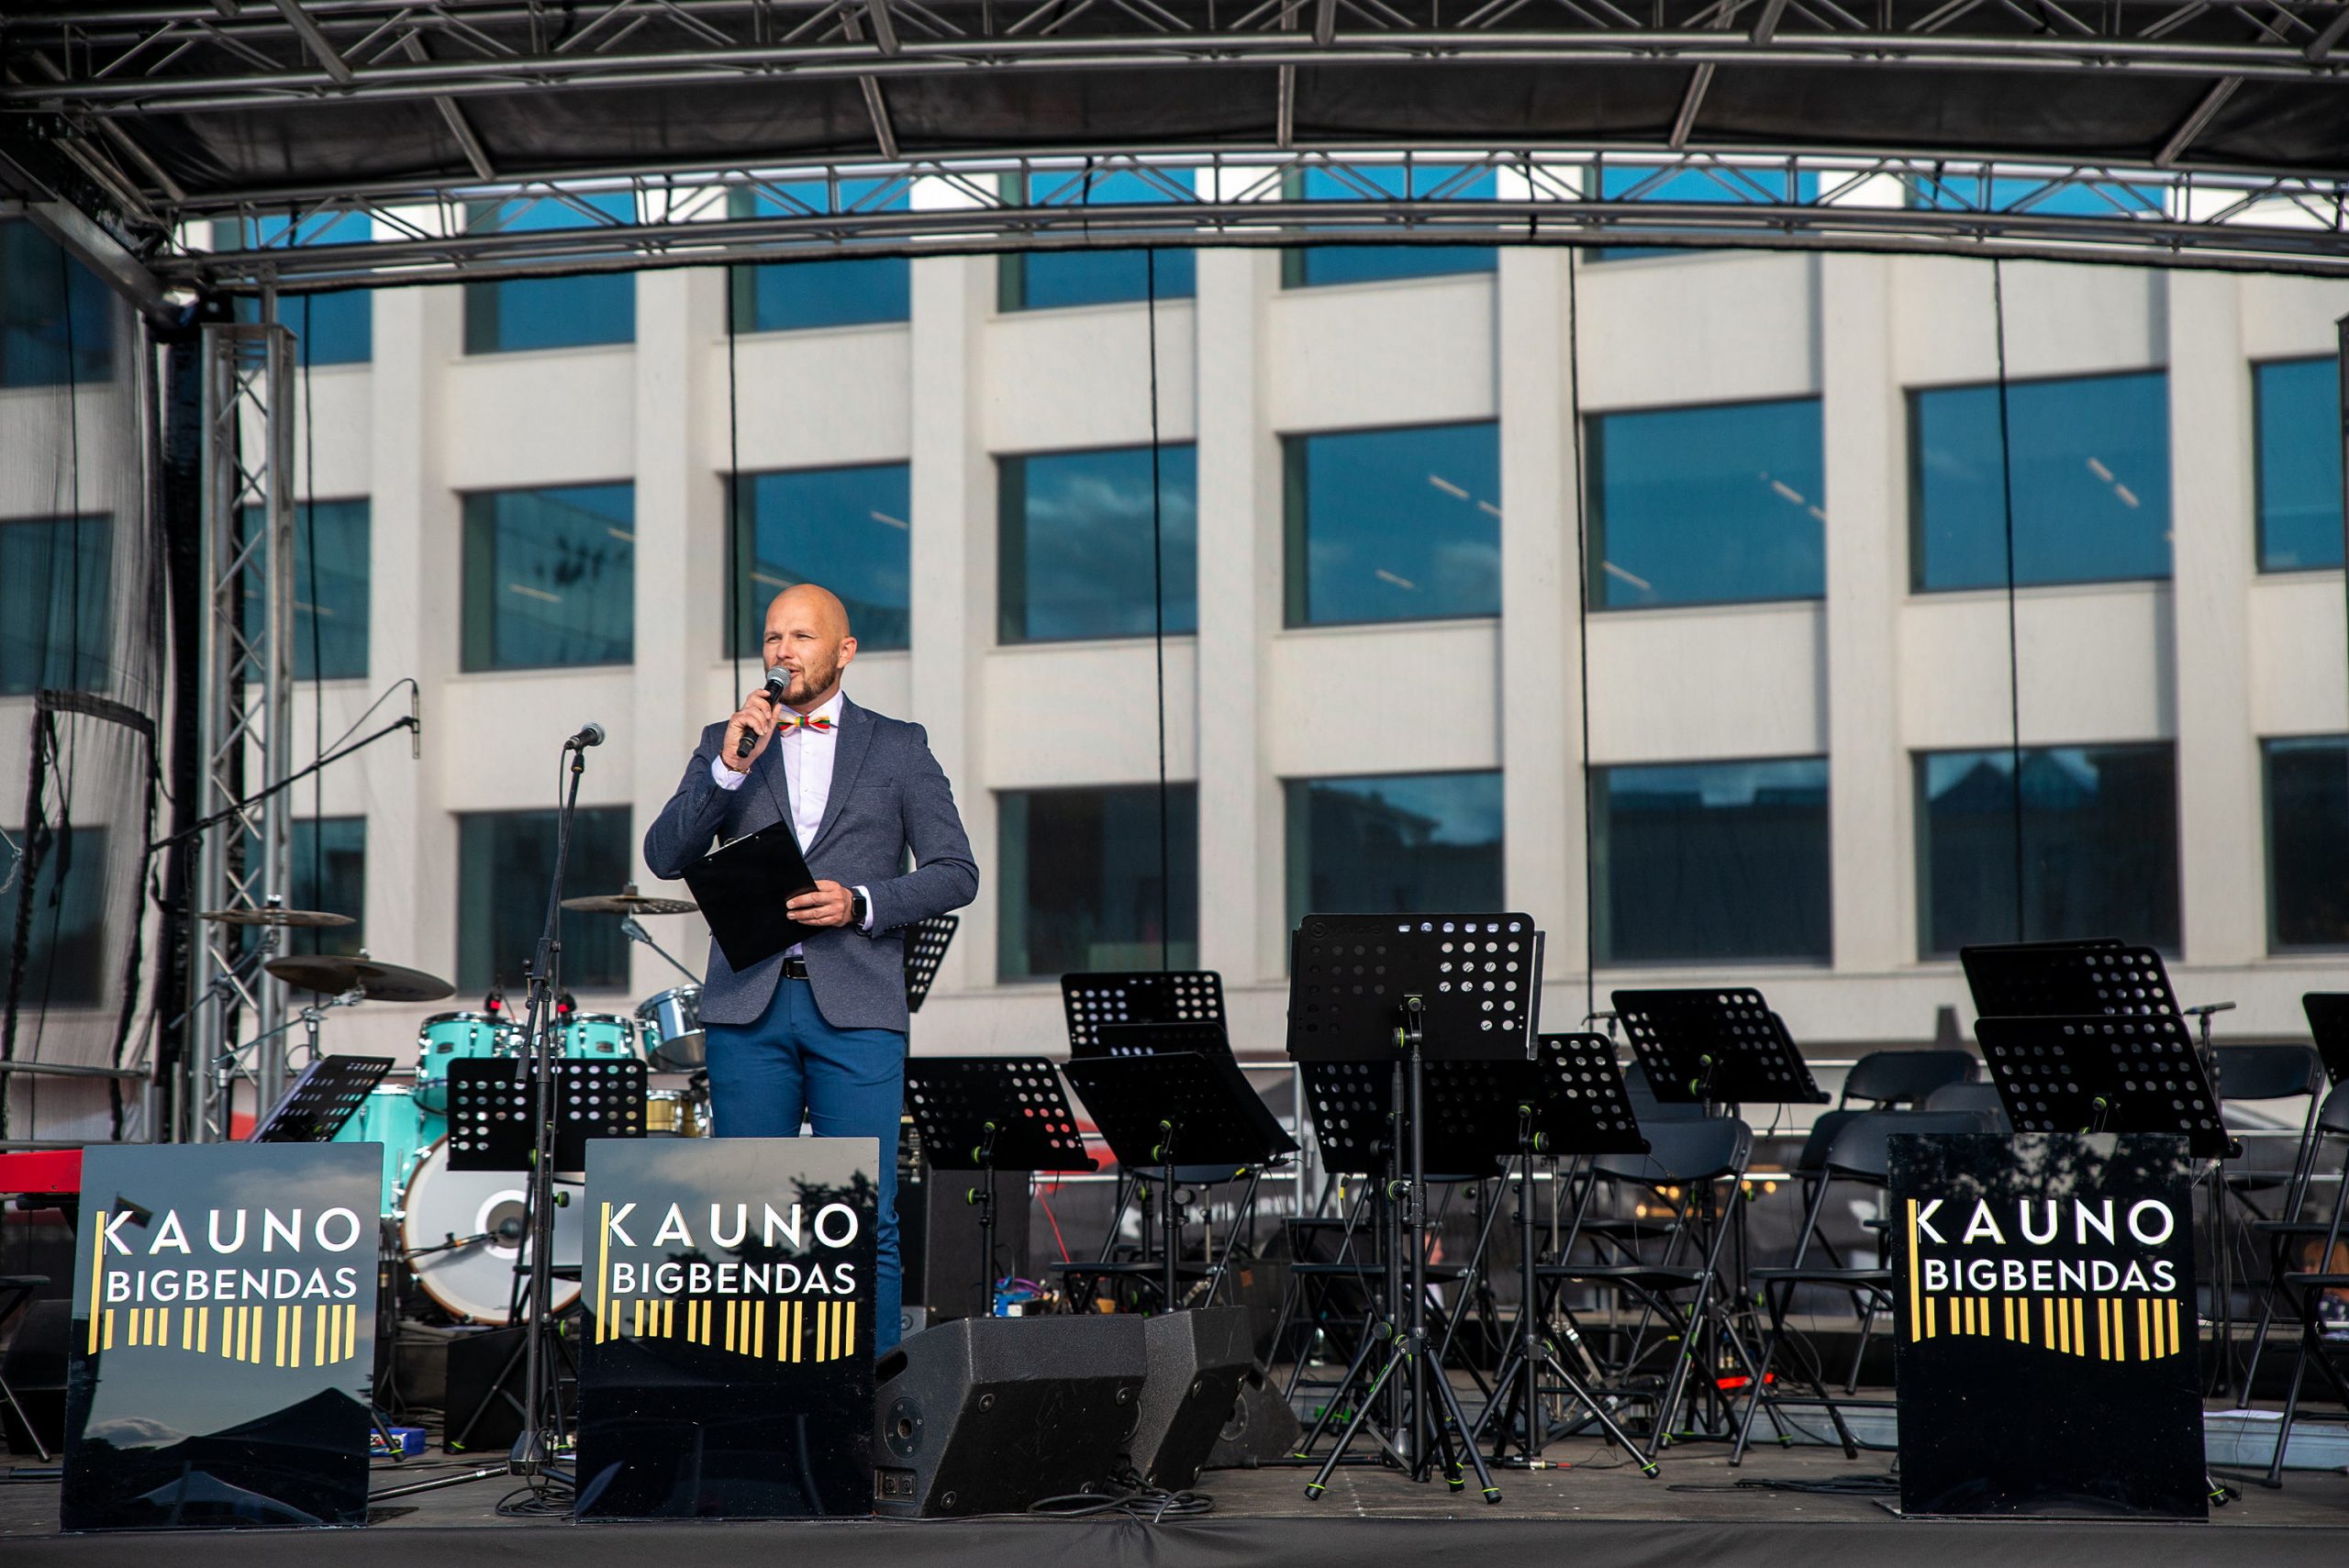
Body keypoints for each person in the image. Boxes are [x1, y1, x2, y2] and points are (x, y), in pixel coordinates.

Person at [643, 584, 977, 1353]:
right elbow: (664, 854)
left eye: (801, 636)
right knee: (746, 1212)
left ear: (844, 650)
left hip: (856, 1007)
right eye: (772, 637)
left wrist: (862, 901)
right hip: (747, 1010)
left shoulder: (899, 745)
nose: (783, 651)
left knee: (864, 1213)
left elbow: (956, 871)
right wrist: (727, 769)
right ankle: (757, 1393)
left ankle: (872, 1396)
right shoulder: (727, 740)